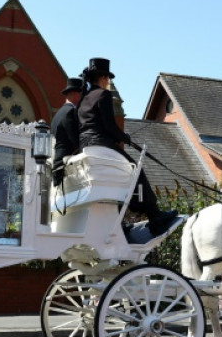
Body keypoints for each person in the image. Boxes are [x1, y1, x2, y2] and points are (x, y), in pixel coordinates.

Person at [76, 57, 177, 235]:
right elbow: (109, 126)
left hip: (86, 146)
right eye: (108, 78)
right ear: (103, 78)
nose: (108, 82)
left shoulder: (83, 100)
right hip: (101, 144)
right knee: (136, 171)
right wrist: (124, 137)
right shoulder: (103, 95)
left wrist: (117, 136)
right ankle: (155, 216)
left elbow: (93, 126)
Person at [50, 76, 84, 186]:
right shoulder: (70, 112)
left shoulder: (58, 114)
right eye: (81, 94)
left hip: (57, 163)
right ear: (75, 94)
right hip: (65, 165)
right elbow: (75, 140)